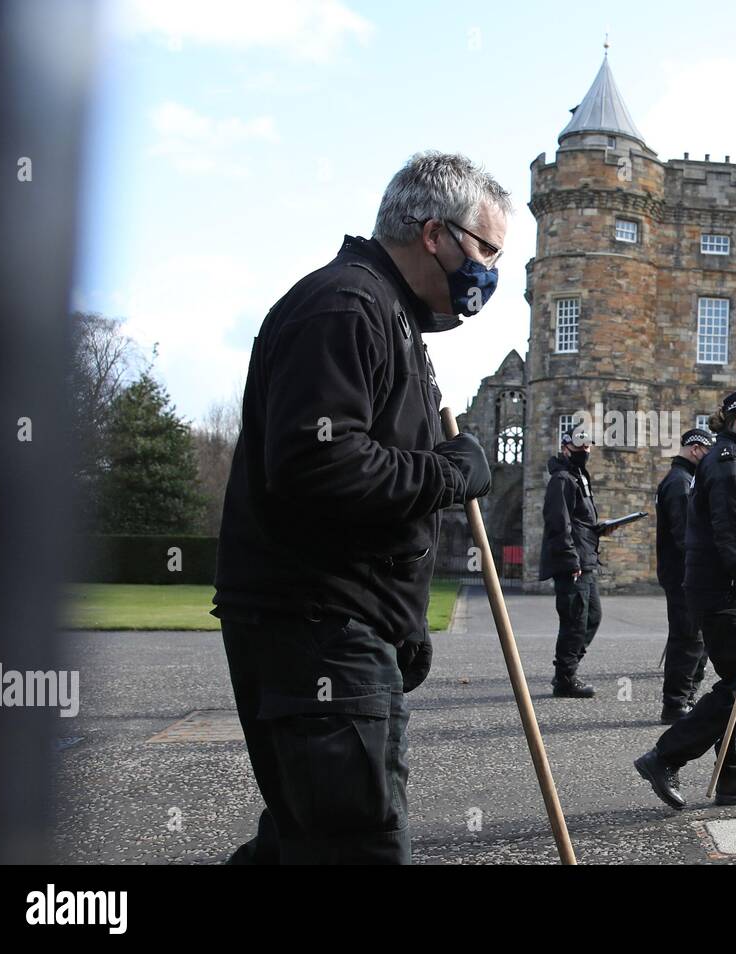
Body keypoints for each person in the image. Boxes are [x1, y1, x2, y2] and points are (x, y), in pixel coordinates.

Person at [212, 152, 510, 863]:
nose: (491, 272)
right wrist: (447, 473)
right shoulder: (346, 306)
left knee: (302, 840)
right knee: (357, 846)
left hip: (340, 624)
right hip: (319, 627)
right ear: (435, 233)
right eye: (488, 250)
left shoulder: (390, 316)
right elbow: (319, 465)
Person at [634, 390, 736, 808]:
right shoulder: (728, 465)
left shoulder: (734, 461)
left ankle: (734, 775)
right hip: (723, 593)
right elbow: (730, 533)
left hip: (724, 589)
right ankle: (664, 757)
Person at [538, 426, 613, 697]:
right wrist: (571, 560)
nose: (585, 451)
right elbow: (558, 523)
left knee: (591, 617)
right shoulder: (562, 479)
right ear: (565, 447)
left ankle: (567, 670)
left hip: (586, 558)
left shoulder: (579, 477)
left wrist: (599, 528)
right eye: (580, 446)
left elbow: (579, 521)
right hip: (574, 563)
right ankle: (565, 678)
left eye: (588, 446)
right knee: (575, 620)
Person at [655, 428, 715, 723]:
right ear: (695, 449)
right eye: (707, 452)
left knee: (695, 636)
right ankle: (676, 703)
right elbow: (684, 533)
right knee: (687, 637)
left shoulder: (682, 479)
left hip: (683, 571)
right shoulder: (680, 482)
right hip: (682, 573)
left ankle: (686, 697)